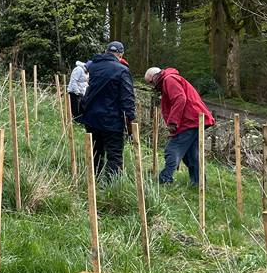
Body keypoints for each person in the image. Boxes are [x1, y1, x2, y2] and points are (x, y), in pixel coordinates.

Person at [144, 67, 215, 185]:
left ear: (155, 77)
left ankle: (165, 179)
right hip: (195, 119)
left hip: (190, 120)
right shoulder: (170, 79)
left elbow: (180, 98)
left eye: (151, 83)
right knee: (191, 155)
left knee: (172, 149)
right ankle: (199, 183)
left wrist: (172, 122)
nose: (153, 87)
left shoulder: (169, 79)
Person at [80, 41, 135, 180]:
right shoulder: (122, 70)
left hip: (91, 118)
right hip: (111, 120)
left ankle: (93, 180)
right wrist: (130, 121)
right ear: (121, 54)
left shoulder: (94, 66)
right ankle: (111, 186)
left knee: (95, 152)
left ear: (106, 51)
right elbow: (127, 98)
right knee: (114, 154)